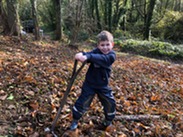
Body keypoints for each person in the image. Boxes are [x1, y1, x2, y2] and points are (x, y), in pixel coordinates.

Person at [70, 30, 116, 130]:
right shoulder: (95, 52)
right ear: (98, 46)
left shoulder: (111, 55)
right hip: (89, 84)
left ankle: (108, 121)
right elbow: (88, 54)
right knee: (82, 102)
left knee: (110, 103)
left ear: (112, 44)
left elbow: (103, 59)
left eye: (107, 44)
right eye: (102, 45)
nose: (105, 47)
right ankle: (75, 120)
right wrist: (81, 54)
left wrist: (88, 56)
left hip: (103, 85)